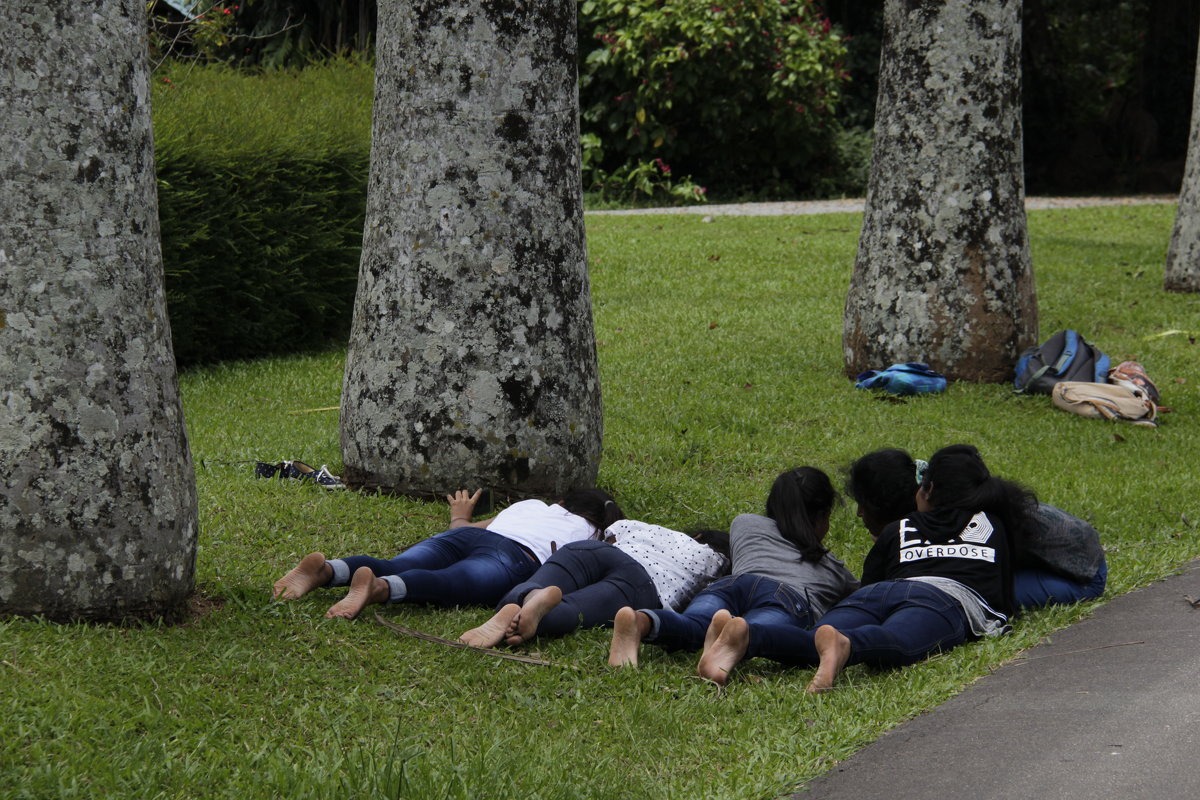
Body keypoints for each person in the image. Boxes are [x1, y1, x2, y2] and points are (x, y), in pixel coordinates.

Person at [698, 444, 1036, 691]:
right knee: (897, 641)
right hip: (942, 598)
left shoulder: (900, 528)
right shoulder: (992, 523)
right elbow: (1002, 592)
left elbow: (871, 586)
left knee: (811, 642)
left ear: (930, 490)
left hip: (877, 593)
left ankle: (747, 635)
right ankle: (849, 646)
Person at [607, 466, 860, 668]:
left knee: (694, 624)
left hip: (731, 585)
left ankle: (640, 622)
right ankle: (734, 637)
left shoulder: (745, 525)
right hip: (786, 596)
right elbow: (861, 599)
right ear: (821, 518)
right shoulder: (833, 568)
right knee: (751, 632)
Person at [271, 488, 625, 619]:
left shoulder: (531, 505)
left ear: (561, 502)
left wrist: (460, 514)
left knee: (403, 561)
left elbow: (466, 532)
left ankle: (329, 570)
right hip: (517, 555)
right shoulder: (591, 538)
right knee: (449, 581)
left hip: (473, 536)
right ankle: (378, 589)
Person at [846, 448, 1106, 610]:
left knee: (974, 596)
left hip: (1083, 576)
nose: (859, 513)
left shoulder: (962, 517)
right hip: (1051, 563)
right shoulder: (950, 502)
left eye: (863, 505)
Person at [457, 522, 729, 648]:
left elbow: (609, 539)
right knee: (574, 609)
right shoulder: (715, 560)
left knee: (536, 582)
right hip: (641, 581)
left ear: (696, 534)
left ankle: (525, 598)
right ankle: (538, 609)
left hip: (588, 551)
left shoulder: (646, 527)